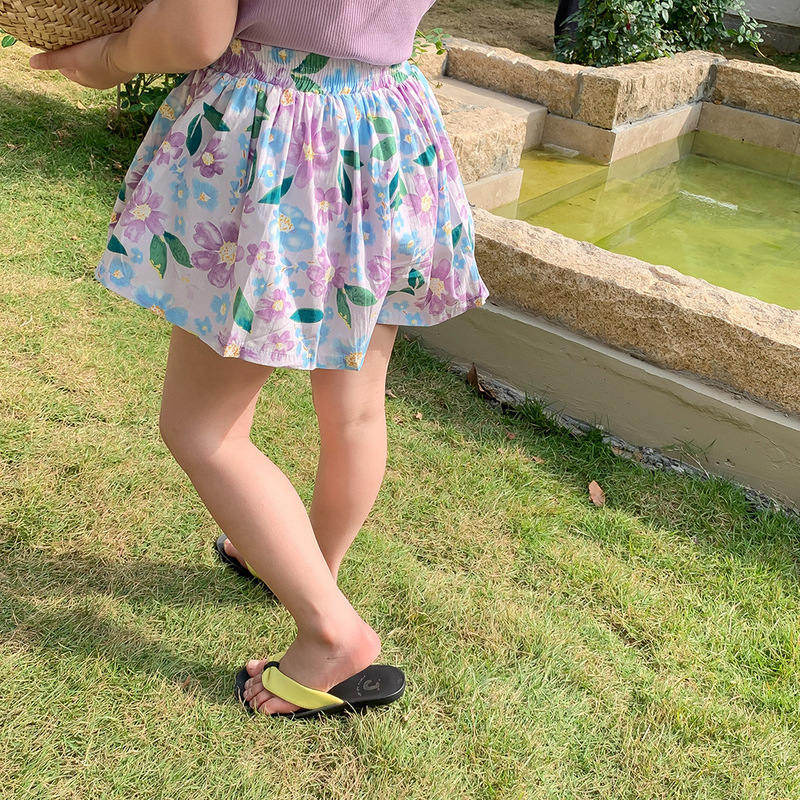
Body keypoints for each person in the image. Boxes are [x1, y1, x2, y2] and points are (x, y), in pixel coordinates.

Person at [30, 0, 488, 718]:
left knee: (202, 428)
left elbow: (195, 32)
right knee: (355, 408)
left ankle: (331, 633)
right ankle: (303, 566)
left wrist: (108, 57)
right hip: (382, 126)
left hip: (282, 139)